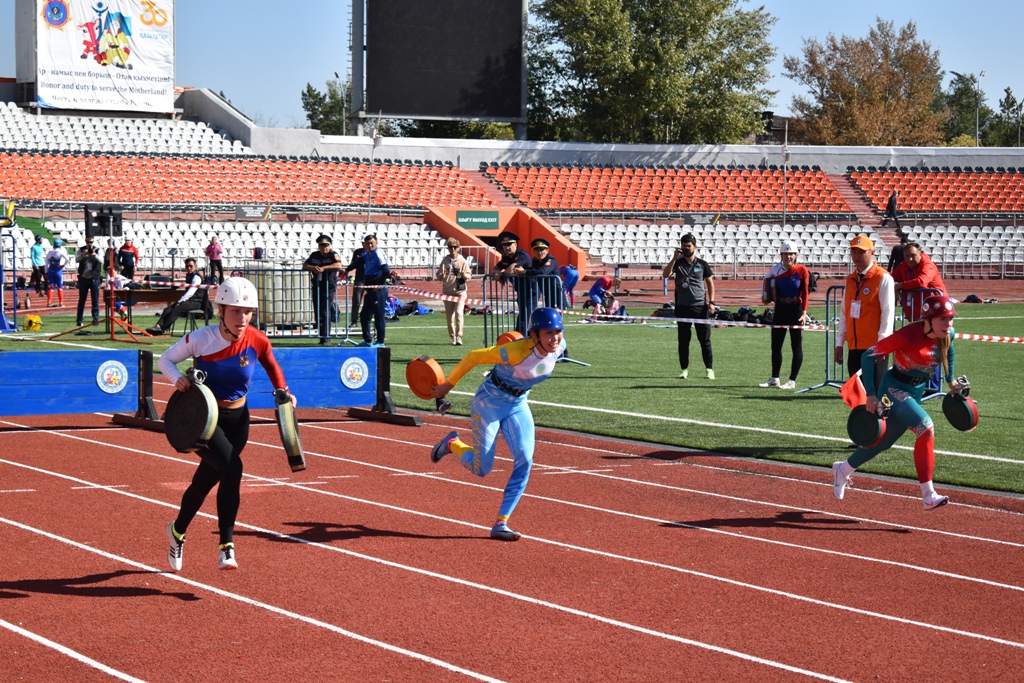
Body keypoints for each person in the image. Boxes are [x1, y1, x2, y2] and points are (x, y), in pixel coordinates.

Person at [158, 277, 295, 571]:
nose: (242, 318)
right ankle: (226, 546)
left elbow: (272, 365)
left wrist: (283, 391)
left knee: (204, 482)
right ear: (220, 309)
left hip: (239, 420)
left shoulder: (258, 339)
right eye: (235, 311)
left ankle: (177, 530)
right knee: (233, 469)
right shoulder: (202, 339)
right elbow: (165, 360)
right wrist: (177, 379)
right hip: (204, 420)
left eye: (247, 312)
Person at [428, 307, 566, 542]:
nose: (554, 338)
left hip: (518, 404)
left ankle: (501, 523)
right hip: (488, 404)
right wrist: (446, 387)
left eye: (558, 331)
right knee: (482, 469)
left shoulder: (560, 347)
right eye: (548, 333)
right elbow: (473, 356)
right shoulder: (514, 352)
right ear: (535, 335)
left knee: (525, 460)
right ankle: (453, 444)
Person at [832, 294, 961, 510]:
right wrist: (871, 394)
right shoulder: (908, 334)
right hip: (892, 389)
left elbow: (949, 351)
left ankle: (843, 469)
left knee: (883, 442)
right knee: (926, 427)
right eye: (942, 319)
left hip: (915, 391)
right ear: (927, 320)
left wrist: (951, 380)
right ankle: (928, 495)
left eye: (950, 319)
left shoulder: (947, 334)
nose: (948, 324)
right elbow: (868, 356)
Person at [834, 235, 895, 390]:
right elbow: (844, 313)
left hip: (874, 347)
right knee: (857, 394)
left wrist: (882, 343)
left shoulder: (883, 278)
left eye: (861, 252)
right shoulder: (850, 280)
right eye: (854, 252)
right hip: (854, 347)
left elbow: (888, 312)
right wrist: (839, 343)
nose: (857, 256)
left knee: (874, 393)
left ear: (872, 252)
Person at [662, 233, 716, 380]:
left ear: (695, 247)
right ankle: (684, 369)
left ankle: (709, 369)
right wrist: (674, 258)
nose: (686, 248)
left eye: (688, 246)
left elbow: (710, 283)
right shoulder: (678, 263)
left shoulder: (702, 264)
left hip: (700, 307)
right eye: (683, 246)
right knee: (684, 341)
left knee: (704, 340)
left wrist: (711, 302)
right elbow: (665, 274)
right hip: (683, 307)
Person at [758, 242, 810, 389]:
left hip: (796, 310)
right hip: (780, 309)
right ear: (781, 255)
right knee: (776, 346)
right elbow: (765, 281)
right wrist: (764, 296)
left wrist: (804, 313)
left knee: (796, 346)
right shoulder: (775, 269)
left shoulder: (802, 270)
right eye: (786, 254)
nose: (789, 257)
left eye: (791, 254)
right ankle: (775, 378)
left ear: (796, 255)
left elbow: (806, 293)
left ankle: (792, 380)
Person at [146, 258, 207, 335]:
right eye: (187, 266)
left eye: (190, 266)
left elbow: (191, 292)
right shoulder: (189, 276)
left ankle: (162, 329)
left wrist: (180, 302)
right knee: (167, 309)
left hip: (196, 302)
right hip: (189, 301)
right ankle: (158, 326)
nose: (188, 268)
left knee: (176, 310)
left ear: (195, 266)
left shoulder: (196, 277)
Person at [891, 241, 947, 321]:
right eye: (907, 256)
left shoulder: (927, 265)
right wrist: (892, 285)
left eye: (913, 255)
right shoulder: (903, 266)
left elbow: (921, 282)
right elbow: (890, 278)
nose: (910, 259)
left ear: (920, 254)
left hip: (936, 307)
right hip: (916, 309)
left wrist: (900, 286)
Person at [302, 234, 342, 345]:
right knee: (318, 311)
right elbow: (304, 265)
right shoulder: (314, 255)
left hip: (328, 286)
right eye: (322, 245)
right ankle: (321, 336)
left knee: (325, 311)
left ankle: (326, 337)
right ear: (319, 246)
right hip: (317, 286)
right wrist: (312, 268)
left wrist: (324, 268)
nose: (325, 248)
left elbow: (339, 265)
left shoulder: (333, 254)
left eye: (326, 245)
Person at [491, 231, 532, 334]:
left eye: (509, 244)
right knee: (523, 315)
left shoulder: (522, 255)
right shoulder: (506, 257)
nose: (507, 247)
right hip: (521, 290)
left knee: (526, 316)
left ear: (515, 244)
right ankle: (520, 336)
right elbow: (497, 267)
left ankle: (524, 337)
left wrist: (502, 274)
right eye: (504, 245)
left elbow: (511, 268)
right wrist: (497, 271)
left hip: (531, 290)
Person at [436, 237, 472, 345]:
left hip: (460, 291)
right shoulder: (445, 260)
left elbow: (469, 275)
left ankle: (459, 336)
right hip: (447, 291)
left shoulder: (462, 261)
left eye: (455, 247)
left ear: (458, 248)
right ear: (448, 248)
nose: (453, 249)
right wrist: (442, 275)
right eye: (450, 247)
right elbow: (438, 275)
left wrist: (464, 275)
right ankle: (453, 337)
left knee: (459, 313)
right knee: (449, 316)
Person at [359, 234, 391, 346]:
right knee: (364, 315)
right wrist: (346, 270)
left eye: (372, 242)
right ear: (365, 245)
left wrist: (380, 284)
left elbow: (386, 270)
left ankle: (380, 342)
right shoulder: (367, 254)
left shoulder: (378, 253)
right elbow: (358, 262)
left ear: (376, 243)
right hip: (371, 290)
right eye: (368, 243)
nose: (370, 245)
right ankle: (367, 340)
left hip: (378, 290)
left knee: (379, 315)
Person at [513, 238, 563, 310]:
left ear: (547, 250)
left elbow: (542, 272)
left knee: (556, 317)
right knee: (548, 315)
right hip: (547, 292)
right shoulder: (535, 261)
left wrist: (524, 271)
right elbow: (530, 269)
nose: (539, 252)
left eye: (542, 250)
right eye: (537, 250)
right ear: (534, 251)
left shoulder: (551, 260)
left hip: (557, 293)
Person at [75, 236, 103, 326]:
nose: (89, 244)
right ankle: (79, 320)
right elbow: (76, 260)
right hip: (84, 277)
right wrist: (83, 254)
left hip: (94, 278)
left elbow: (101, 261)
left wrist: (95, 255)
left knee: (95, 300)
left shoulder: (98, 250)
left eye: (91, 242)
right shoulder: (81, 250)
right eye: (87, 242)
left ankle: (95, 319)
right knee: (82, 300)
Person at [344, 243, 367, 327]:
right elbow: (354, 263)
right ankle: (354, 321)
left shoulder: (375, 252)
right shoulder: (358, 252)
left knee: (373, 302)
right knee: (356, 301)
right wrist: (347, 269)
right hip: (360, 279)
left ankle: (374, 324)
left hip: (371, 279)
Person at [45, 237, 69, 308]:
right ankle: (61, 303)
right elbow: (67, 259)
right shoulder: (60, 252)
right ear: (60, 245)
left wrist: (46, 272)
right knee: (60, 287)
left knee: (51, 286)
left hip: (50, 270)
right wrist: (63, 265)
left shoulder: (49, 253)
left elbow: (46, 264)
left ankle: (49, 302)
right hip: (58, 270)